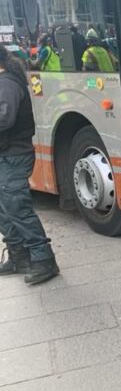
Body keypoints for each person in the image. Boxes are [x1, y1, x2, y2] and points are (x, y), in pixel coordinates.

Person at [0, 46, 59, 284]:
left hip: (13, 155)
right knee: (5, 209)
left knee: (17, 208)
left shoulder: (7, 83)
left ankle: (43, 259)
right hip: (6, 154)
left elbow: (5, 118)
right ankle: (19, 256)